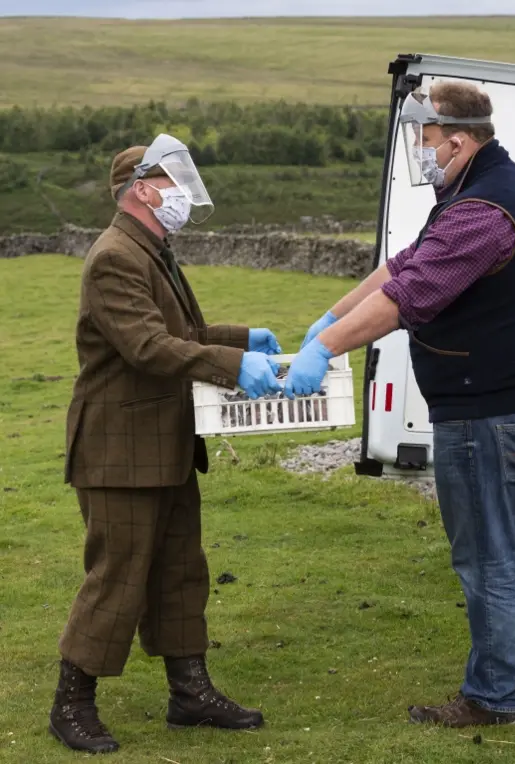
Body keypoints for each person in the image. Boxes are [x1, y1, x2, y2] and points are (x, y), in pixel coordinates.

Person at [285, 82, 515, 728]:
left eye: (423, 138)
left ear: (458, 139)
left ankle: (493, 697)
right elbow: (404, 263)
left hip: (486, 412)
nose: (419, 151)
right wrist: (327, 317)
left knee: (487, 554)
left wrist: (326, 349)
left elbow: (408, 295)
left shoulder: (481, 211)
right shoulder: (479, 188)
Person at [50, 134, 282, 753]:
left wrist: (244, 336)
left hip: (165, 443)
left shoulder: (152, 249)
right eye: (174, 183)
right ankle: (71, 702)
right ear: (144, 188)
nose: (183, 194)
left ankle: (190, 693)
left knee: (181, 570)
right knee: (117, 575)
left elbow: (183, 331)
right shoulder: (115, 257)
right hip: (120, 448)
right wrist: (234, 364)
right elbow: (149, 348)